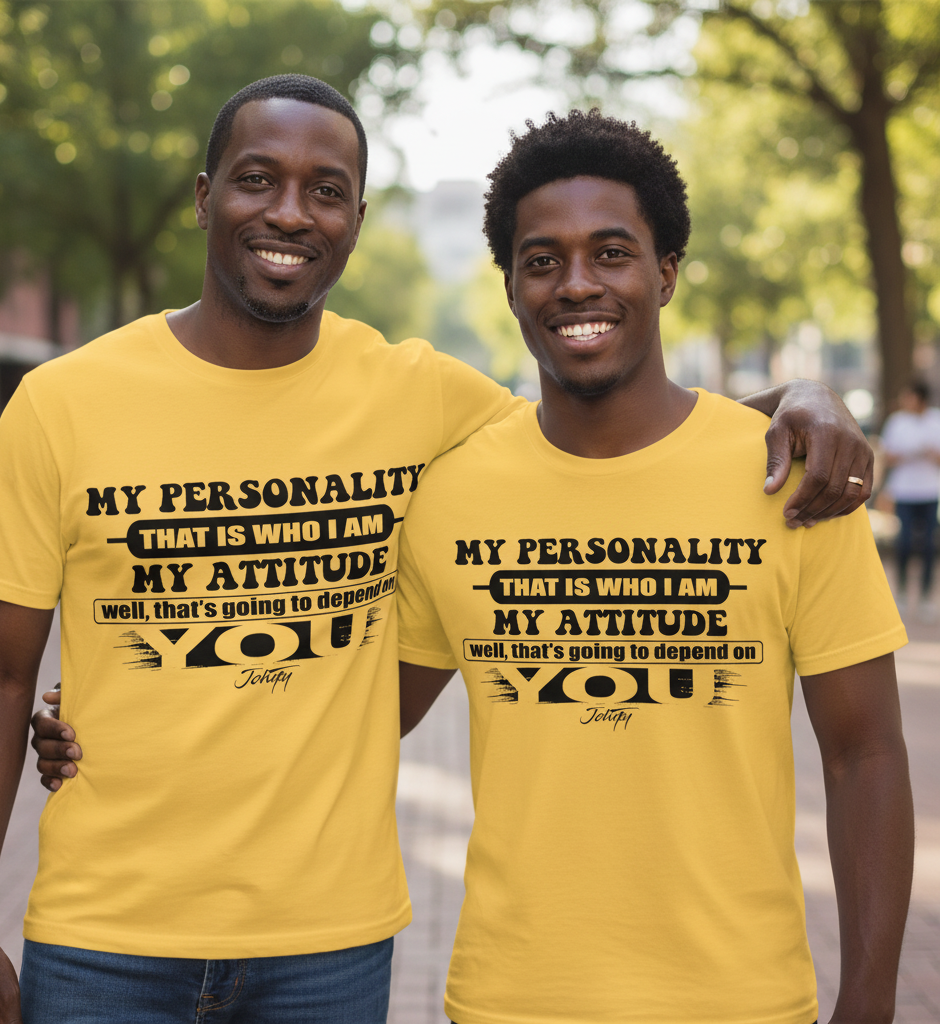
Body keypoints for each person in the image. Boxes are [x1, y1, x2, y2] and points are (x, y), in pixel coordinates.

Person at [0, 74, 873, 1024]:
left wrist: (809, 400)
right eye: (257, 179)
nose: (291, 213)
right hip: (103, 938)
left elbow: (607, 412)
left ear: (356, 218)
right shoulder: (63, 402)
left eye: (327, 191)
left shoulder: (419, 395)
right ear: (203, 195)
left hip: (329, 945)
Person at [390, 111, 913, 1023]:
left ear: (666, 274)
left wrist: (868, 1002)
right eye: (542, 260)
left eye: (612, 252)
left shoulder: (793, 477)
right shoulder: (450, 493)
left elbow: (865, 754)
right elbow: (347, 718)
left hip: (742, 1001)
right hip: (513, 1001)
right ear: (511, 287)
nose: (576, 283)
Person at [881, 381, 940, 619]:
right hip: (904, 491)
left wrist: (928, 453)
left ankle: (926, 596)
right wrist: (907, 453)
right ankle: (903, 593)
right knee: (904, 542)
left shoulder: (935, 420)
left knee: (927, 545)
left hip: (929, 491)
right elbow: (888, 456)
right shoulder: (897, 422)